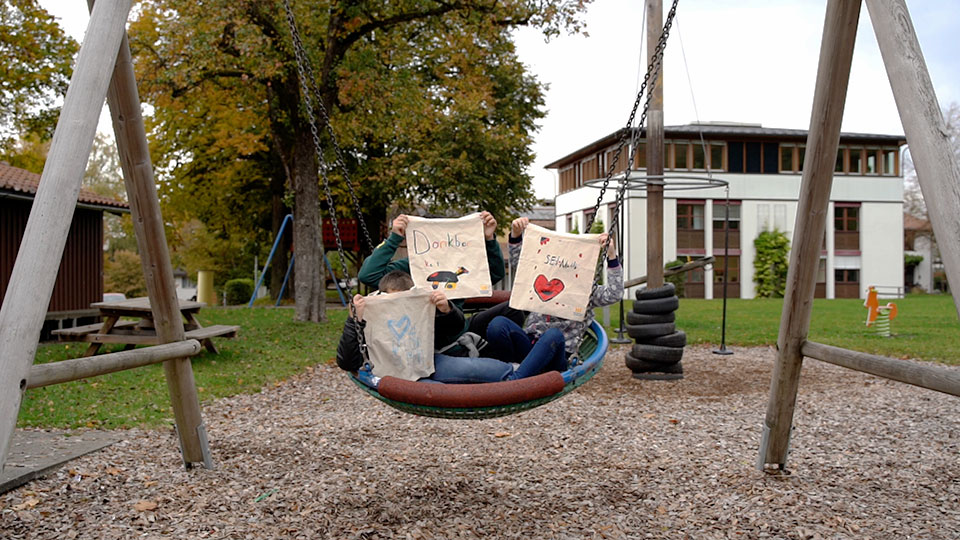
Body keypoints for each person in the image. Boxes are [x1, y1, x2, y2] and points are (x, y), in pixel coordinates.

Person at [336, 270, 566, 383]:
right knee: (431, 389)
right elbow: (347, 362)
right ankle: (524, 375)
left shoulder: (418, 308)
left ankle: (519, 374)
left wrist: (446, 310)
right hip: (389, 370)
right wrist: (354, 320)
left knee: (478, 369)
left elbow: (455, 329)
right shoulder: (368, 314)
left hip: (427, 362)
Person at [358, 211, 525, 337]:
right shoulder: (411, 265)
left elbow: (495, 273)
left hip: (458, 327)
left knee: (513, 309)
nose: (439, 246)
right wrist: (394, 238)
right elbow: (368, 275)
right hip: (425, 331)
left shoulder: (460, 263)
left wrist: (489, 238)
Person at [483, 217, 623, 366]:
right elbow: (520, 263)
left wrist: (611, 256)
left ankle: (517, 376)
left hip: (557, 352)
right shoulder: (540, 278)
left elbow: (614, 293)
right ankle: (513, 366)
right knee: (498, 324)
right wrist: (516, 235)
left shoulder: (583, 288)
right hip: (530, 344)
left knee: (552, 335)